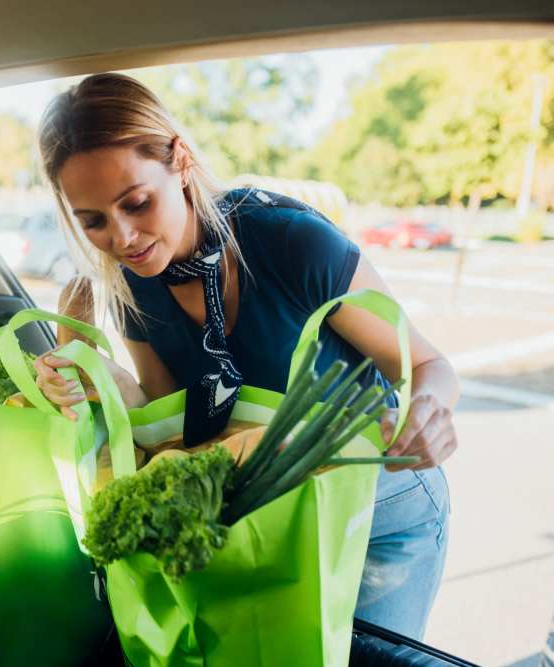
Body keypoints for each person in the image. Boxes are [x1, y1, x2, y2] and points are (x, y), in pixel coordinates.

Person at [32, 72, 455, 640]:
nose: (124, 237)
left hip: (377, 503)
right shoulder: (134, 283)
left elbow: (428, 365)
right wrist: (96, 381)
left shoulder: (290, 242)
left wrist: (427, 411)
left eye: (136, 203)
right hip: (269, 510)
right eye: (94, 222)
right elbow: (171, 416)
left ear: (180, 161)